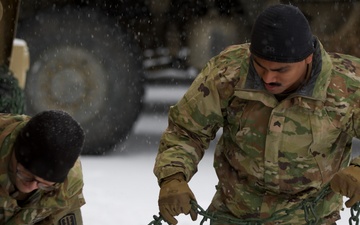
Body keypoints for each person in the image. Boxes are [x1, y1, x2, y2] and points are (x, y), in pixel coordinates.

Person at [153, 3, 360, 225]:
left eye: (281, 70)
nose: (268, 78)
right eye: (260, 66)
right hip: (234, 216)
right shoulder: (228, 71)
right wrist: (173, 178)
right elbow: (187, 130)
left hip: (312, 219)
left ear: (308, 58)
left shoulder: (348, 84)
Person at [0, 110, 86, 224]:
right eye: (26, 175)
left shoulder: (67, 184)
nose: (29, 188)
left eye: (44, 185)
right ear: (16, 152)